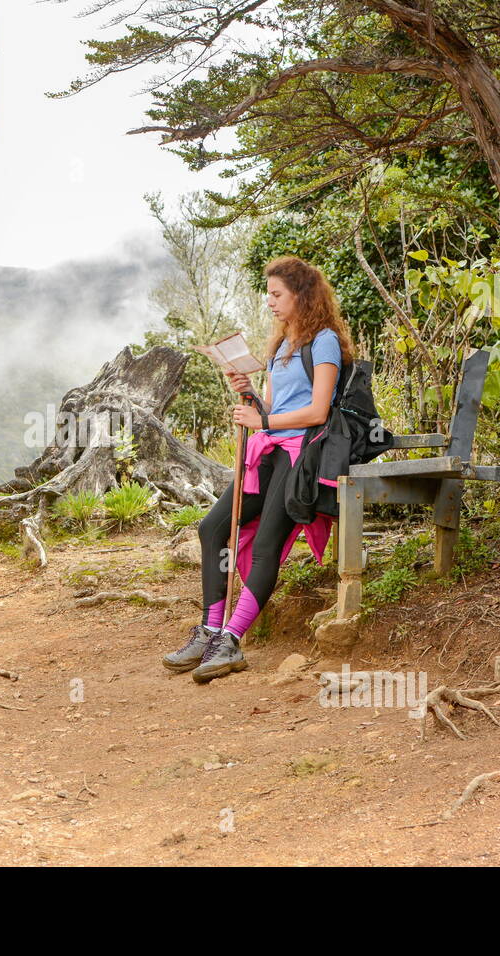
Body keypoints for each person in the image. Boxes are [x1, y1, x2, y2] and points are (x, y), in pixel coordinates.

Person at [163, 255, 355, 683]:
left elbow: (318, 411)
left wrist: (263, 422)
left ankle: (231, 640)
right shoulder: (280, 345)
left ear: (301, 295)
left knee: (268, 543)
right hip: (267, 452)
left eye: (276, 294)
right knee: (213, 528)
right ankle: (210, 630)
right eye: (267, 294)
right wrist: (251, 395)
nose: (269, 302)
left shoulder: (323, 341)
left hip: (302, 455)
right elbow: (277, 407)